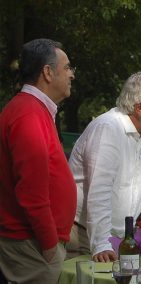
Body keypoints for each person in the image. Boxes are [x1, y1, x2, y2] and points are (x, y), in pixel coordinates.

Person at [67, 72, 141, 262]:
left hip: (120, 237)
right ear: (139, 108)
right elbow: (100, 191)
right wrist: (101, 244)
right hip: (83, 234)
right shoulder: (108, 128)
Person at [0, 38, 77, 283]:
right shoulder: (28, 114)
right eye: (67, 68)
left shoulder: (33, 110)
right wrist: (49, 245)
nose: (71, 75)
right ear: (47, 72)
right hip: (31, 245)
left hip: (34, 243)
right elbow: (31, 193)